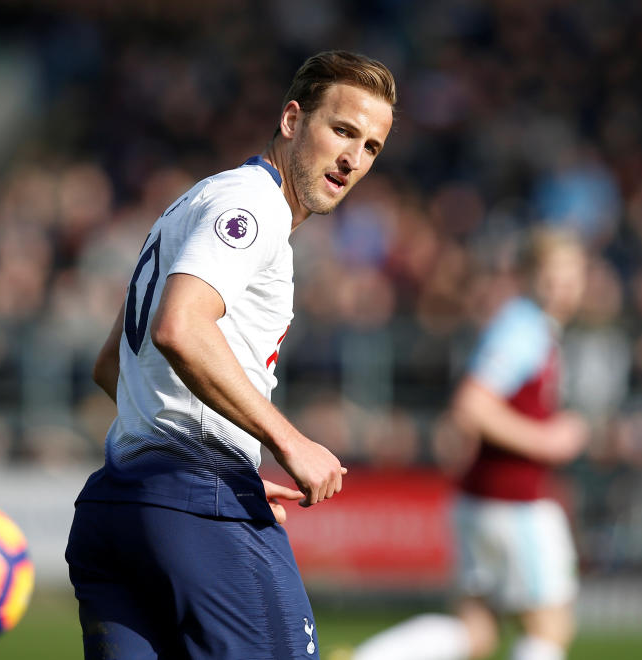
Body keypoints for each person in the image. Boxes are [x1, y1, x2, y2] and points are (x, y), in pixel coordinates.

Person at [65, 50, 396, 659]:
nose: (353, 159)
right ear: (293, 120)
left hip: (119, 507)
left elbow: (111, 363)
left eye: (372, 147)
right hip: (194, 506)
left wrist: (230, 452)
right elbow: (181, 328)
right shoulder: (253, 207)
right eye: (343, 130)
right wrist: (281, 442)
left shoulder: (193, 202)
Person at [346, 229, 590, 660]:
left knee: (476, 632)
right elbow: (472, 405)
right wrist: (546, 439)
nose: (563, 286)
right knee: (549, 624)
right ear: (528, 276)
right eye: (553, 275)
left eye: (572, 275)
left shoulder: (525, 326)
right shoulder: (524, 329)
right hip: (513, 501)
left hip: (479, 498)